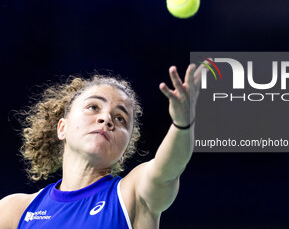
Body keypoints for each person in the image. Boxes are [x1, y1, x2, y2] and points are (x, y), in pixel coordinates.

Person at [0, 63, 204, 229]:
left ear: (124, 152)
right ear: (62, 128)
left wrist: (182, 124)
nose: (106, 119)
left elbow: (168, 169)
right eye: (93, 107)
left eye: (120, 118)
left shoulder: (132, 196)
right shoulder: (14, 211)